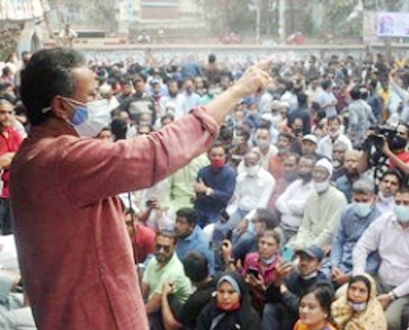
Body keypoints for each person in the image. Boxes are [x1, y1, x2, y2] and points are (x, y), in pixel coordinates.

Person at [11, 48, 268, 329]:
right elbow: (156, 151)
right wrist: (236, 92)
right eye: (92, 95)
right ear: (61, 106)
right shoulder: (62, 158)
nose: (101, 103)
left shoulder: (32, 154)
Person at [352, 187, 409, 329]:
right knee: (344, 297)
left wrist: (392, 296)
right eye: (397, 202)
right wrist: (359, 278)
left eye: (406, 203)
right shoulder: (385, 220)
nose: (400, 207)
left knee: (388, 321)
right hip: (379, 281)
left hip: (405, 289)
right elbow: (362, 246)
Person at [262, 245, 330, 330]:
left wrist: (285, 292)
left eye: (309, 260)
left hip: (311, 321)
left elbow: (305, 308)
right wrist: (277, 282)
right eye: (302, 258)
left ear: (319, 265)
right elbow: (269, 299)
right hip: (288, 318)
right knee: (270, 309)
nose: (304, 263)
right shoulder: (292, 276)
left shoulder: (324, 284)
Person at [330, 179, 381, 286]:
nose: (360, 204)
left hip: (363, 270)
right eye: (357, 200)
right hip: (340, 263)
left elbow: (375, 259)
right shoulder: (346, 212)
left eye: (364, 201)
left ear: (374, 199)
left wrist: (351, 276)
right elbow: (338, 240)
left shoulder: (380, 220)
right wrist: (335, 265)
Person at [289, 158, 348, 251]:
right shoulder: (312, 196)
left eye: (322, 172)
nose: (318, 175)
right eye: (315, 171)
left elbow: (330, 231)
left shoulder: (338, 198)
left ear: (329, 175)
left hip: (325, 244)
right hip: (307, 238)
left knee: (299, 262)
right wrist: (300, 242)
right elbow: (305, 225)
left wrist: (311, 247)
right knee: (287, 252)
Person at [142, 230, 193, 325]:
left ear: (174, 247)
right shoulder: (153, 261)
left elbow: (154, 306)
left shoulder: (175, 271)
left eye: (166, 248)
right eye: (158, 246)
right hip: (157, 309)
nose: (161, 251)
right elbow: (143, 290)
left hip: (174, 315)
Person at [160, 252, 216, 330]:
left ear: (186, 274)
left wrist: (164, 296)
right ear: (208, 266)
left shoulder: (194, 301)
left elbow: (172, 326)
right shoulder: (221, 281)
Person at [196, 272, 261, 330]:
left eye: (231, 292)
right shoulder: (208, 312)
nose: (225, 297)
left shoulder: (250, 318)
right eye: (221, 291)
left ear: (239, 294)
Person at [194, 143, 237, 227]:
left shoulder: (231, 174)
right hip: (201, 209)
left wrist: (207, 190)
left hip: (218, 211)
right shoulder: (202, 172)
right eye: (214, 155)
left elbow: (226, 197)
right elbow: (199, 192)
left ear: (225, 156)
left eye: (220, 155)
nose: (217, 158)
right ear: (208, 156)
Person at [276, 155, 316, 241]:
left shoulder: (315, 188)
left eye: (306, 167)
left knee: (287, 253)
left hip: (298, 232)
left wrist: (288, 203)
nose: (303, 169)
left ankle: (287, 255)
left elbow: (302, 209)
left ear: (313, 169)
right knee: (270, 243)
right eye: (301, 166)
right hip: (282, 227)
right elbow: (278, 202)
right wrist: (293, 208)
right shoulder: (296, 184)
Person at [0, 99, 22, 235]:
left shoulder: (14, 133)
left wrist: (11, 157)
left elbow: (24, 156)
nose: (7, 116)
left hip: (13, 193)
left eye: (10, 112)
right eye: (2, 112)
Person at [173, 207, 214, 272]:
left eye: (181, 222)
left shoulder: (203, 244)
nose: (176, 225)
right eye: (176, 221)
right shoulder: (175, 232)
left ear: (191, 226)